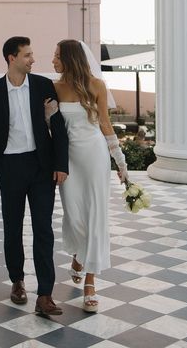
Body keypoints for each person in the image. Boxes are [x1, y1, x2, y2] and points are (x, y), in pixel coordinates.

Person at [0, 36, 69, 316]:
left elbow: (58, 126)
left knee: (43, 230)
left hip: (41, 168)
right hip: (10, 169)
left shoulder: (43, 86)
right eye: (27, 55)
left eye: (32, 54)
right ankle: (17, 280)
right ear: (11, 58)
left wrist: (61, 164)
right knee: (12, 227)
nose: (33, 59)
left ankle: (45, 295)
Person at [48, 39, 128, 313]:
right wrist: (48, 117)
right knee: (74, 215)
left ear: (69, 58)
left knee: (96, 216)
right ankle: (79, 256)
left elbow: (104, 123)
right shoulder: (54, 87)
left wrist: (120, 161)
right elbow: (53, 127)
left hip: (94, 155)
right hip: (67, 158)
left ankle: (90, 282)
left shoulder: (97, 85)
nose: (53, 60)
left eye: (57, 55)